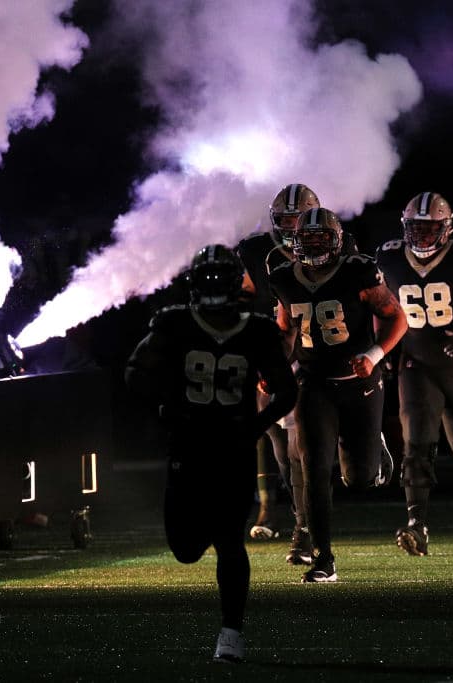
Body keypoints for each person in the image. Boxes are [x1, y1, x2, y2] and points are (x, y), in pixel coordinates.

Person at [125, 244, 298, 663]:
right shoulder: (177, 323)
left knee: (229, 541)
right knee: (185, 549)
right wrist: (168, 405)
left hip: (232, 451)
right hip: (190, 446)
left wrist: (253, 426)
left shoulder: (255, 330)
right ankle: (228, 619)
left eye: (223, 277)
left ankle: (231, 632)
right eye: (212, 278)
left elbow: (286, 389)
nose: (217, 285)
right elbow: (136, 372)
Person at [269, 207, 407, 583]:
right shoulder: (283, 277)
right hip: (313, 382)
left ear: (336, 241)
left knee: (358, 479)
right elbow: (285, 330)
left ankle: (373, 444)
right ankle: (323, 558)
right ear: (295, 243)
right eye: (307, 239)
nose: (313, 246)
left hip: (358, 380)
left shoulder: (358, 270)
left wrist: (374, 354)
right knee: (314, 467)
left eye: (321, 238)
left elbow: (398, 318)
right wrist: (275, 369)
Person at [375, 191, 453, 556]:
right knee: (416, 443)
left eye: (430, 230)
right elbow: (381, 308)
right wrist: (383, 348)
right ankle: (416, 523)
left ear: (447, 228)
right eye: (416, 229)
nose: (423, 237)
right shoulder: (388, 257)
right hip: (417, 363)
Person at [236, 183, 318, 563]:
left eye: (296, 220)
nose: (290, 228)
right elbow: (245, 294)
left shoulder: (333, 246)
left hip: (313, 353)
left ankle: (305, 526)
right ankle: (286, 514)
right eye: (284, 220)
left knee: (296, 446)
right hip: (271, 353)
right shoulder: (256, 251)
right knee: (273, 441)